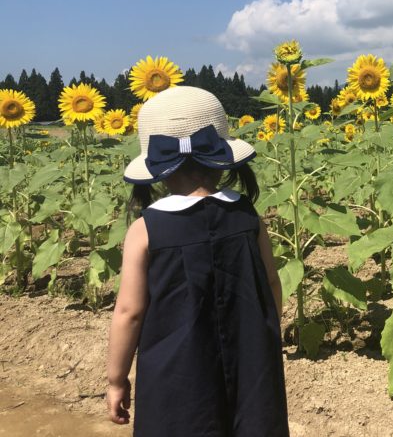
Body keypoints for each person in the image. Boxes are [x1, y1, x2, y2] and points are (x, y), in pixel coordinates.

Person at [105, 86, 289, 436]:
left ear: (159, 170)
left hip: (176, 381)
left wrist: (117, 380)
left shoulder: (145, 230)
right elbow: (271, 284)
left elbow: (129, 312)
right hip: (251, 369)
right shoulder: (248, 217)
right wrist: (263, 340)